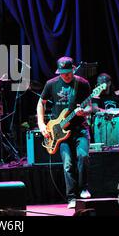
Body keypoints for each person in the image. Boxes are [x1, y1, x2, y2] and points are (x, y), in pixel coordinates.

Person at [36, 56, 92, 209]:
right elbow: (41, 103)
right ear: (58, 72)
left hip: (80, 128)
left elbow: (90, 107)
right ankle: (71, 198)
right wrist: (41, 123)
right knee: (68, 164)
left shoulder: (82, 83)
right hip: (59, 130)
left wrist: (83, 112)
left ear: (73, 69)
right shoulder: (51, 84)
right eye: (63, 73)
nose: (66, 76)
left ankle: (84, 188)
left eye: (68, 72)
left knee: (83, 157)